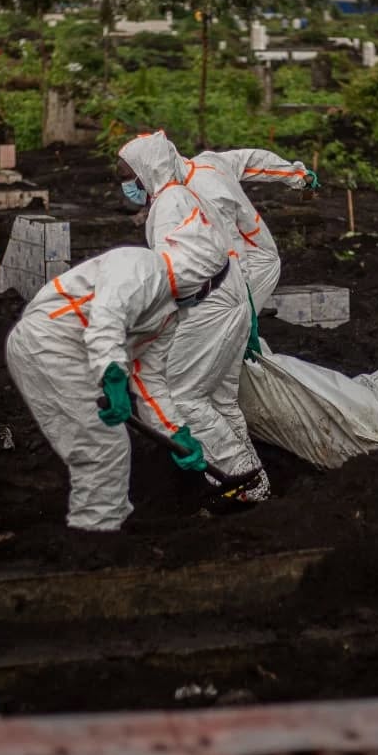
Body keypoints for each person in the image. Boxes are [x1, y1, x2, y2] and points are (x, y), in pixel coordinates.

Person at [4, 246, 207, 532]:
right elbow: (106, 320)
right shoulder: (140, 265)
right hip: (49, 342)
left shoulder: (170, 316)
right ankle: (95, 540)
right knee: (103, 447)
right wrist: (112, 376)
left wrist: (174, 431)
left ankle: (106, 525)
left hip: (73, 354)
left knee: (105, 448)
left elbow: (150, 380)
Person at [117, 131, 269, 501]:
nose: (124, 184)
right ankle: (255, 482)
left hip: (210, 307)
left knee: (183, 397)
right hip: (229, 297)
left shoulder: (169, 208)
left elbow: (174, 278)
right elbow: (223, 252)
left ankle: (241, 481)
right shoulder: (184, 196)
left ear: (146, 172)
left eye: (127, 175)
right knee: (220, 401)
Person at [184, 148, 316, 317]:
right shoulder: (207, 164)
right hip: (223, 253)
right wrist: (298, 175)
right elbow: (254, 160)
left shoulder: (197, 183)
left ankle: (239, 311)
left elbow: (253, 161)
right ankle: (233, 314)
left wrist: (299, 177)